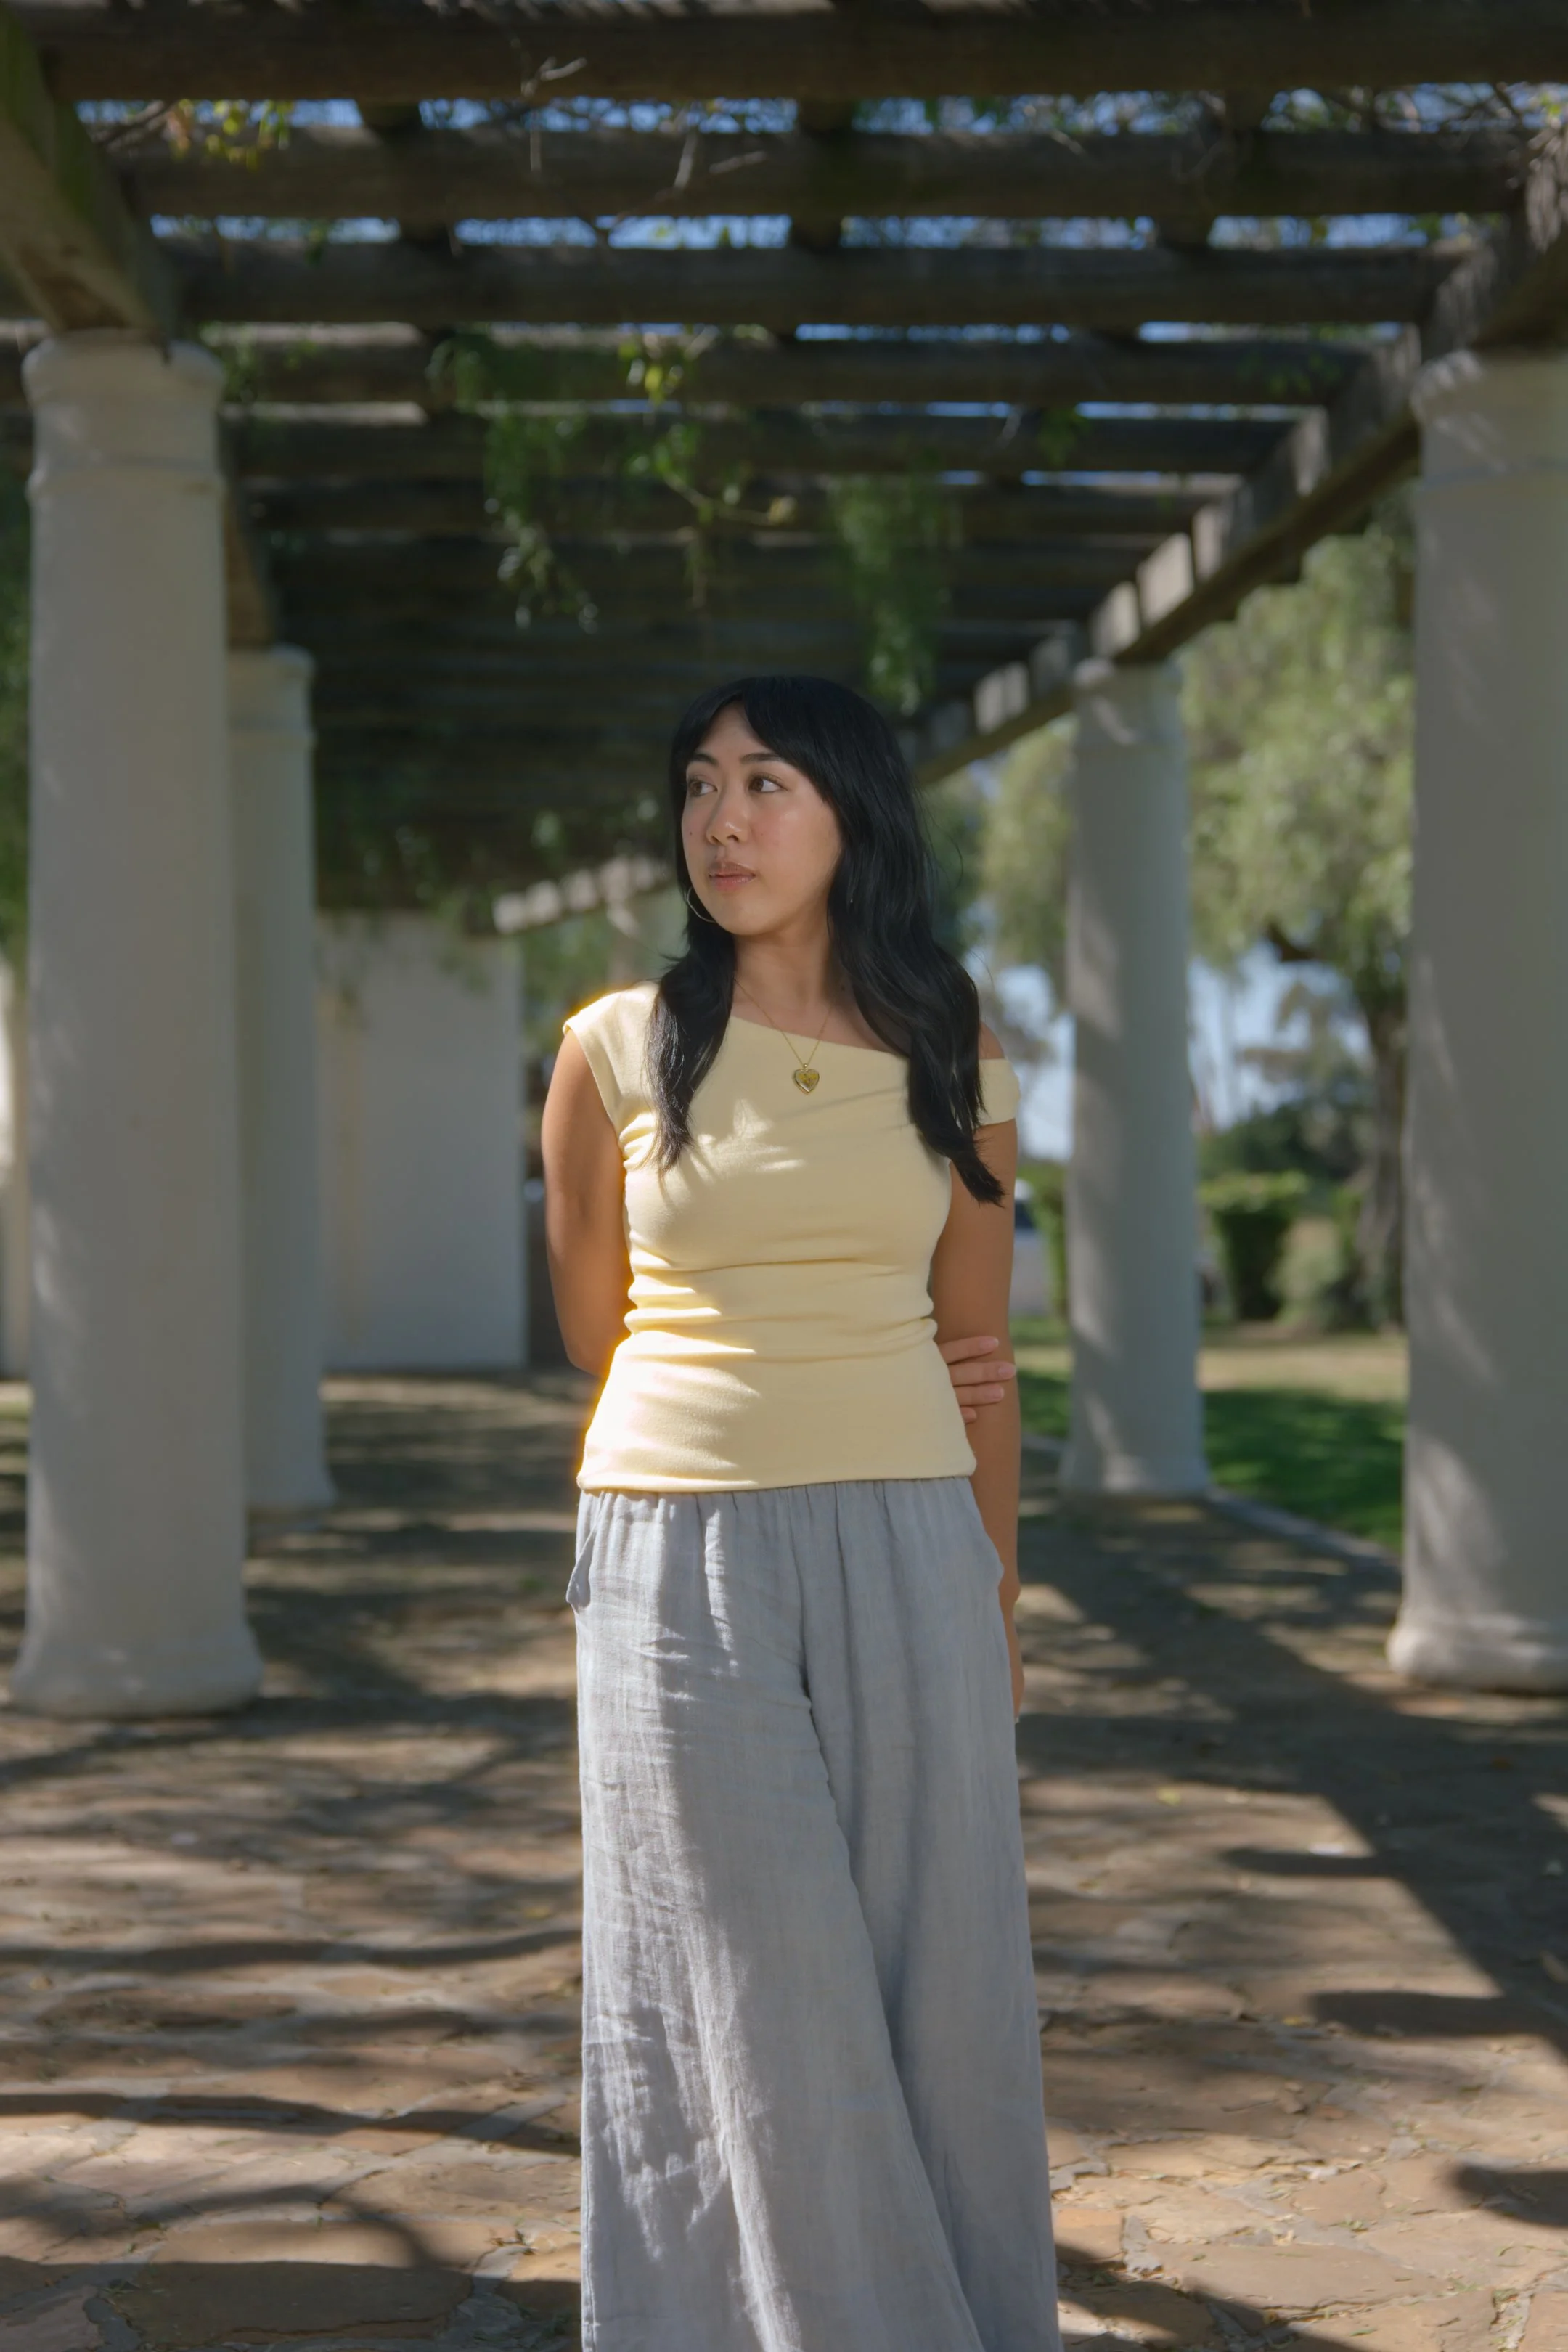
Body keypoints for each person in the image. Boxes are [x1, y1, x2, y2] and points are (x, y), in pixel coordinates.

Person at [542, 674, 1060, 2352]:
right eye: (698, 785)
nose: (723, 821)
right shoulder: (613, 1045)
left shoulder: (951, 1042)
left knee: (941, 1969)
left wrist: (996, 1598)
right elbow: (597, 1330)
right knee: (748, 1980)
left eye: (767, 783)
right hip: (679, 1541)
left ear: (852, 813)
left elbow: (980, 1346)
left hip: (916, 1530)